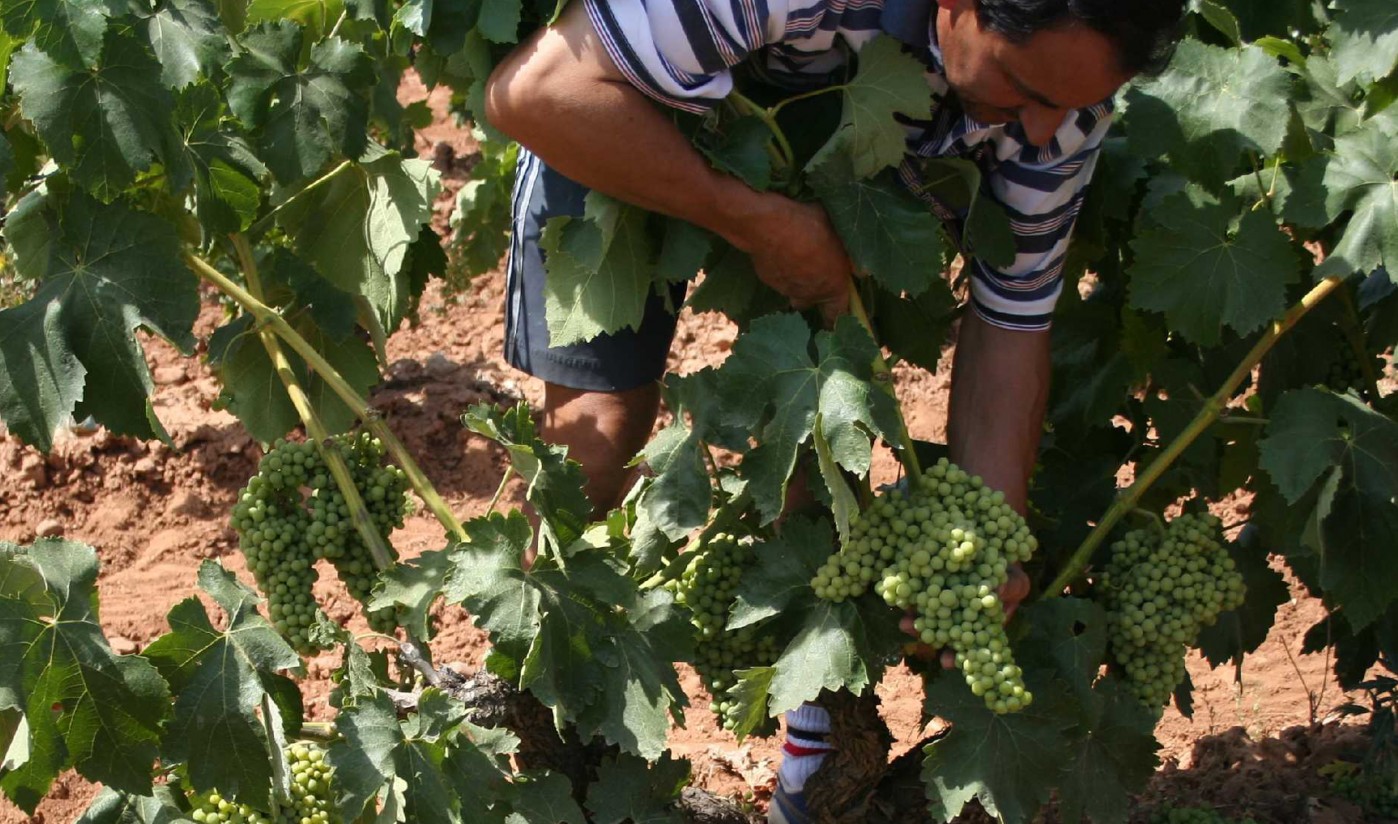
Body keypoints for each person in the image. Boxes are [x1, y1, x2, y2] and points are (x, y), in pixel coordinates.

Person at [484, 1, 1184, 820]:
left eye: (1070, 108)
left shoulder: (1065, 101)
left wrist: (986, 534)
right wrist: (754, 218)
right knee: (597, 443)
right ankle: (534, 734)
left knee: (821, 423)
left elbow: (1013, 315)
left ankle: (815, 746)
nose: (1042, 133)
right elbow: (531, 94)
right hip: (617, 116)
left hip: (832, 171)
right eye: (1025, 90)